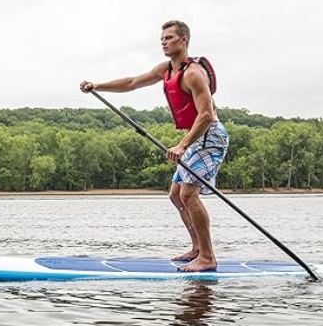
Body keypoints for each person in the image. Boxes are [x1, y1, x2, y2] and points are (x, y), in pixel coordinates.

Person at [80, 20, 229, 272]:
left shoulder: (193, 73)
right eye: (162, 38)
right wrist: (98, 86)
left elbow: (205, 115)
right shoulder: (166, 70)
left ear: (183, 40)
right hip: (194, 137)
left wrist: (182, 146)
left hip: (209, 136)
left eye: (169, 38)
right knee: (175, 194)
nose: (163, 42)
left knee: (188, 194)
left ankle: (208, 257)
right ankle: (196, 249)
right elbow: (132, 82)